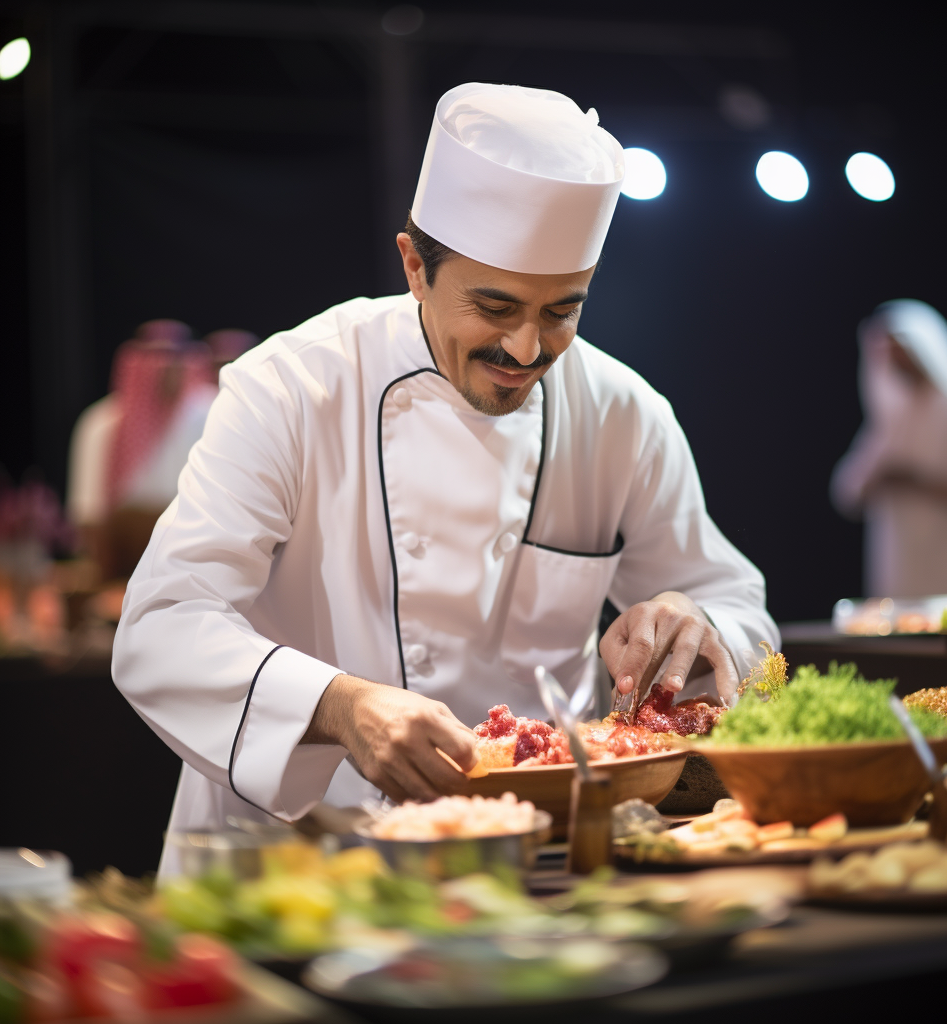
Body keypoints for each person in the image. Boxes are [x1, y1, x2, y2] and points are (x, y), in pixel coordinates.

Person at [112, 83, 778, 875]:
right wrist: (341, 707)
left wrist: (695, 621)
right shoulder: (291, 386)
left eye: (563, 310)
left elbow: (739, 609)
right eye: (494, 306)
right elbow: (162, 626)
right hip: (294, 860)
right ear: (414, 267)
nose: (528, 349)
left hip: (532, 861)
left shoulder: (622, 412)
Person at [831, 300, 947, 598]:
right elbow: (847, 491)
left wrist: (917, 481)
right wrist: (879, 478)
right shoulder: (894, 417)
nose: (895, 361)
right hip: (905, 572)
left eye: (901, 350)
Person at [66, 322, 218, 580]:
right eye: (156, 357)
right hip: (123, 569)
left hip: (199, 566)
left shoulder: (213, 415)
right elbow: (87, 515)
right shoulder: (102, 423)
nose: (168, 366)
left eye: (176, 357)